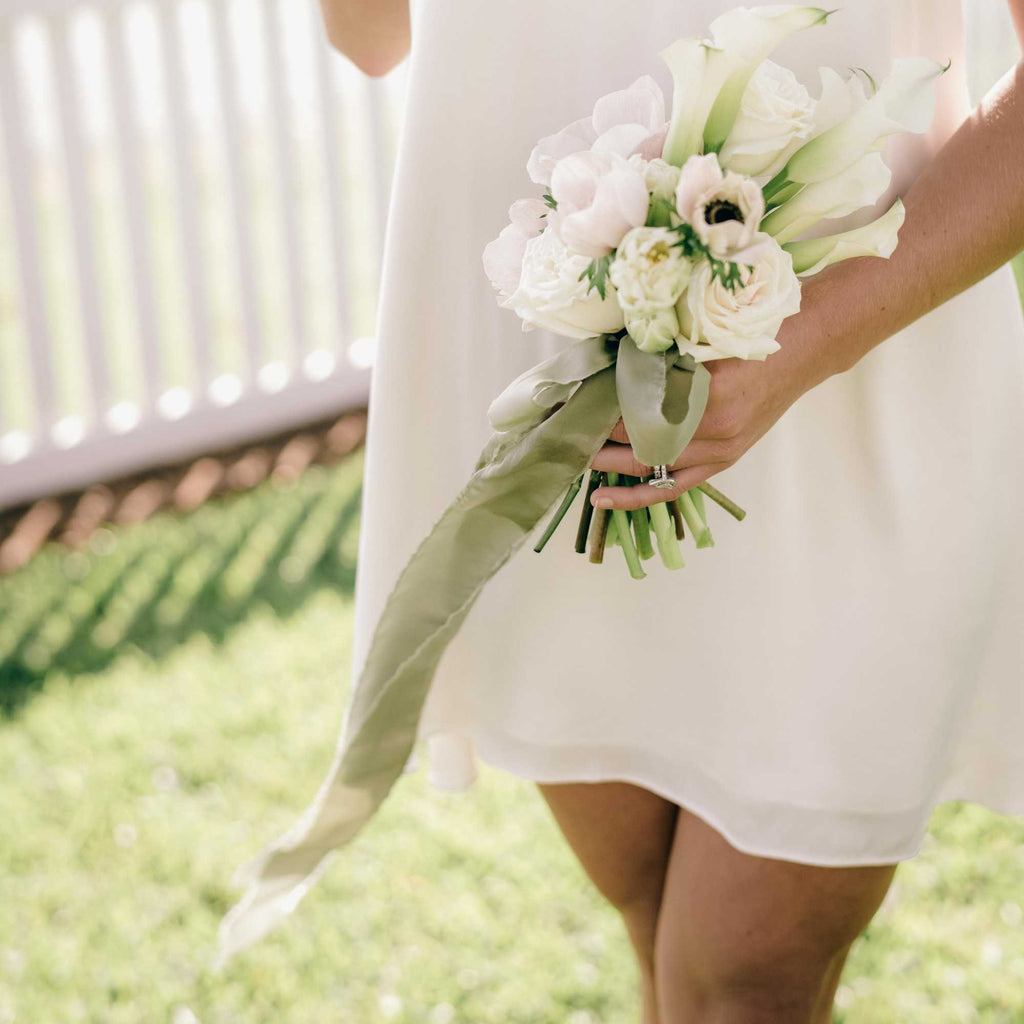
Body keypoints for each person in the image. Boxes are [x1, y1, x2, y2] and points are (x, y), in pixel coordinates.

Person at [321, 1, 1024, 1020]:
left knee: (743, 978)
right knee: (659, 933)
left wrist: (801, 346)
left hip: (850, 372)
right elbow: (369, 35)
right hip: (549, 366)